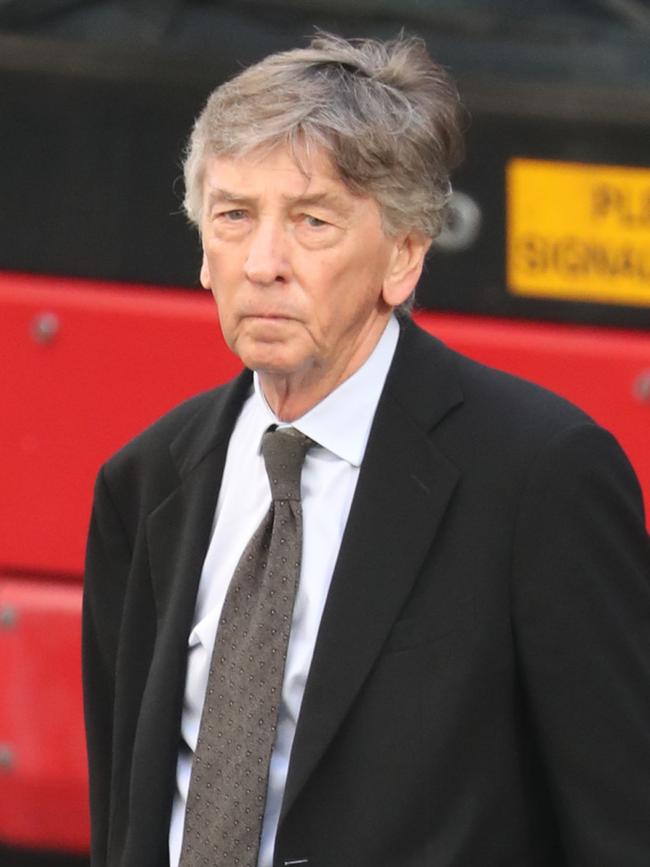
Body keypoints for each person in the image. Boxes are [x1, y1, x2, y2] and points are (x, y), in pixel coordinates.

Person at [82, 32, 650, 867]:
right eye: (234, 215)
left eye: (312, 221)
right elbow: (125, 818)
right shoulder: (144, 482)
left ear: (404, 255)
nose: (264, 263)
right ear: (204, 250)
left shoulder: (544, 476)